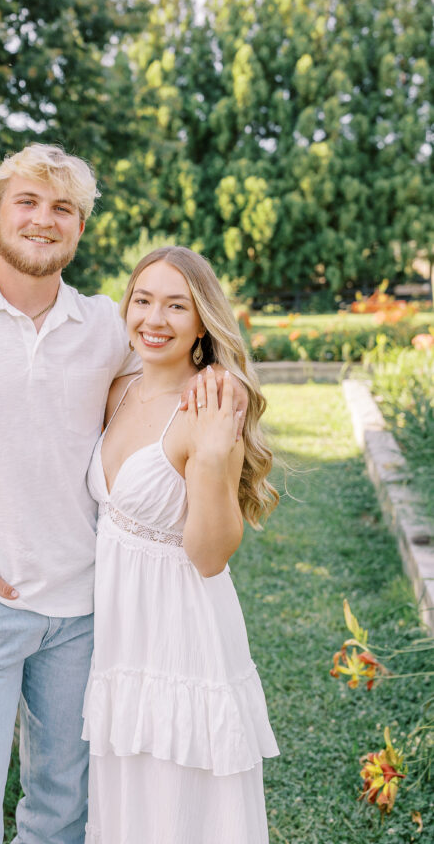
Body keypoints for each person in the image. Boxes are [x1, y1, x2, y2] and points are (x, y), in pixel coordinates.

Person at [0, 144, 248, 844]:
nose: (43, 219)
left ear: (80, 227)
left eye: (62, 207)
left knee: (61, 814)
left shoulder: (105, 324)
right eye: (27, 202)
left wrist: (219, 392)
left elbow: (168, 369)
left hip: (89, 614)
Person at [82, 246, 279, 844]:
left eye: (176, 305)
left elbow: (211, 555)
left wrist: (215, 458)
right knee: (129, 796)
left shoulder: (212, 404)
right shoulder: (117, 389)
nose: (154, 319)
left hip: (182, 629)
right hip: (120, 629)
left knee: (182, 801)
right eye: (142, 301)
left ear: (201, 323)